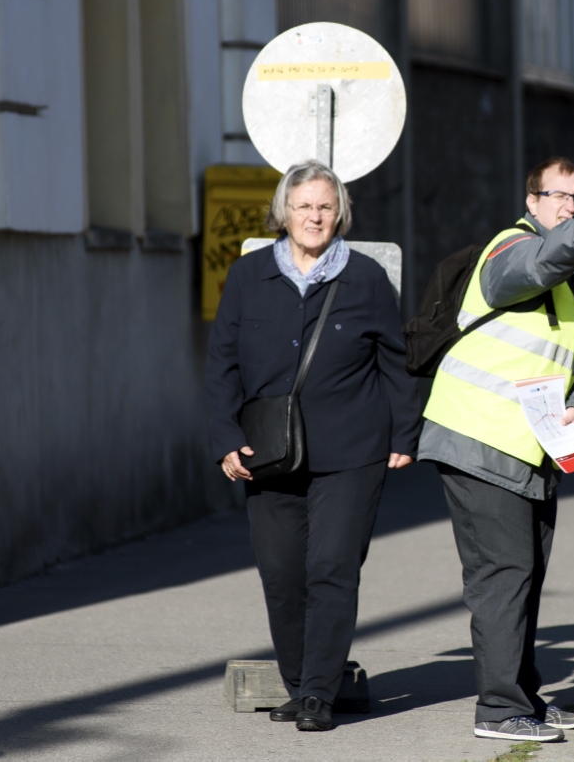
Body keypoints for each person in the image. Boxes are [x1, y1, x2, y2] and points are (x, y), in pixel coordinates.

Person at [205, 159, 422, 732]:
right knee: (280, 573)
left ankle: (319, 695)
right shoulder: (249, 275)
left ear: (340, 213)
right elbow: (221, 365)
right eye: (304, 206)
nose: (314, 216)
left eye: (325, 207)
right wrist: (225, 437)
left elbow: (394, 361)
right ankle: (299, 685)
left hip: (352, 451)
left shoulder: (366, 278)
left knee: (332, 567)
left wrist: (405, 432)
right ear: (284, 212)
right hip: (266, 452)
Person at [418, 157, 574, 743]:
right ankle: (499, 709)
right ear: (532, 202)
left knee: (525, 574)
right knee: (504, 573)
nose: (571, 207)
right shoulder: (510, 250)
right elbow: (535, 266)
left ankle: (523, 693)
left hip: (536, 447)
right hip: (478, 435)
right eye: (559, 196)